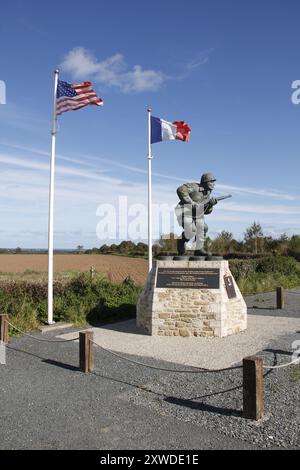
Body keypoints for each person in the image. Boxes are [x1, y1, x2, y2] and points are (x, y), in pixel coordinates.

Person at [175, 172, 218, 256]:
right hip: (183, 211)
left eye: (214, 182)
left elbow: (206, 211)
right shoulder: (195, 187)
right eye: (211, 182)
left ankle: (199, 249)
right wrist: (191, 203)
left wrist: (210, 205)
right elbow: (180, 190)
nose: (213, 184)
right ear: (205, 182)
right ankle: (181, 240)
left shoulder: (207, 194)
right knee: (192, 230)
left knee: (204, 228)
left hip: (195, 214)